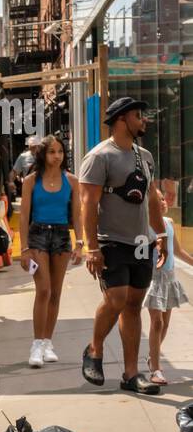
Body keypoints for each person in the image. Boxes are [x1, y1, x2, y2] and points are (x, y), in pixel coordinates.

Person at [80, 96, 166, 394]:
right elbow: (88, 204)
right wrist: (91, 247)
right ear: (121, 120)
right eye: (138, 115)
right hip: (111, 241)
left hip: (142, 242)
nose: (144, 120)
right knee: (116, 300)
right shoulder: (99, 157)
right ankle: (95, 349)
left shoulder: (145, 155)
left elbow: (151, 196)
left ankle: (131, 375)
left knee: (133, 306)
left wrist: (161, 235)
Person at [18, 135, 82, 367]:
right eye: (52, 152)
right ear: (43, 155)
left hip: (62, 236)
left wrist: (80, 243)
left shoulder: (72, 181)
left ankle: (47, 342)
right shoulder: (31, 181)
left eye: (60, 152)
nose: (57, 156)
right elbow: (24, 215)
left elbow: (77, 213)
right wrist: (23, 248)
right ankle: (36, 344)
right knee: (43, 290)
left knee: (56, 292)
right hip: (37, 235)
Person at [143, 188, 192, 385]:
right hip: (153, 278)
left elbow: (177, 251)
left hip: (170, 278)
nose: (161, 202)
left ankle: (151, 357)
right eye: (156, 200)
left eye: (162, 199)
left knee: (165, 323)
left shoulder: (170, 223)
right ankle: (156, 368)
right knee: (157, 322)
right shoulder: (145, 225)